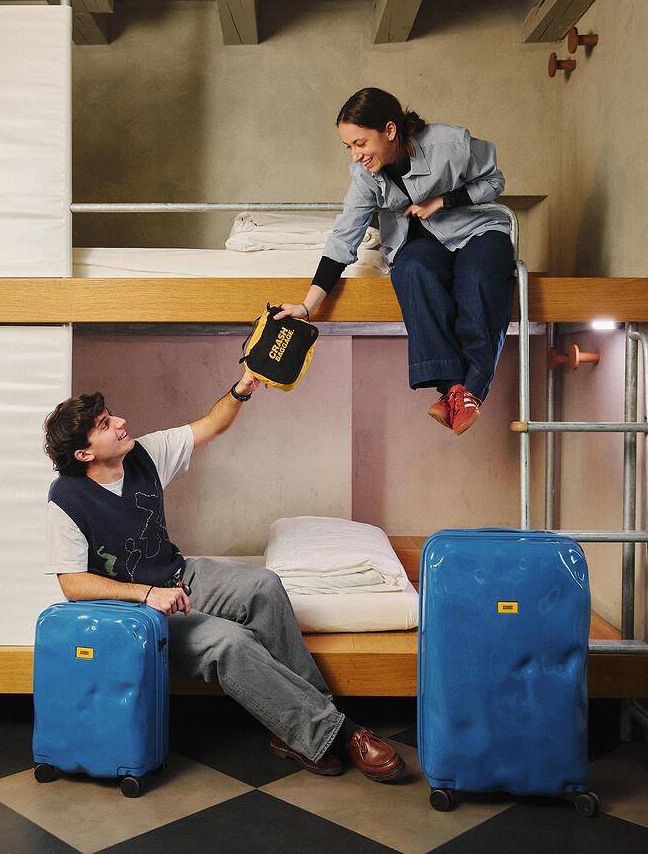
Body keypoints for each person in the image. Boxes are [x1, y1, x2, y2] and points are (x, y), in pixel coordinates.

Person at [43, 372, 405, 782]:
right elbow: (72, 584)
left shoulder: (143, 454)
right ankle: (340, 733)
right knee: (229, 642)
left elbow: (212, 424)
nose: (121, 422)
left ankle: (305, 727)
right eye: (105, 424)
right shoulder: (66, 499)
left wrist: (241, 389)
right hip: (136, 616)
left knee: (263, 585)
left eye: (111, 415)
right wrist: (147, 594)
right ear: (84, 454)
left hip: (179, 575)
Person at [276, 87, 515, 435]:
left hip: (477, 229)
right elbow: (344, 238)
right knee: (411, 269)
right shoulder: (365, 176)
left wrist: (444, 201)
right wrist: (307, 306)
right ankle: (454, 389)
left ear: (389, 130)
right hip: (422, 240)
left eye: (360, 143)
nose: (355, 155)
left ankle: (471, 389)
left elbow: (495, 180)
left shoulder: (450, 144)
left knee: (477, 278)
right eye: (348, 147)